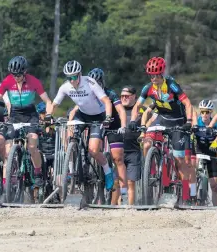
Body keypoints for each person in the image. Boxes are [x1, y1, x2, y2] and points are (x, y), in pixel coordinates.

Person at [128, 57, 196, 203]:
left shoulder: (172, 85)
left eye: (156, 75)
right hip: (162, 119)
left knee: (179, 161)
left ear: (161, 74)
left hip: (178, 122)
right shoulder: (148, 88)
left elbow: (188, 104)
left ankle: (185, 195)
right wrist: (133, 121)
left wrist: (189, 122)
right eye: (150, 75)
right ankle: (151, 172)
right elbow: (137, 107)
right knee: (146, 143)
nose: (153, 78)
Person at [46, 60, 116, 191]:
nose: (72, 80)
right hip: (82, 114)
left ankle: (107, 171)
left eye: (74, 77)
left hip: (98, 116)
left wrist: (107, 117)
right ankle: (71, 170)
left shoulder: (90, 82)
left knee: (93, 150)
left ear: (80, 74)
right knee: (69, 136)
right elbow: (54, 104)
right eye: (69, 77)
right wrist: (49, 115)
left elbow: (106, 101)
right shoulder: (66, 86)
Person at [0, 56, 53, 193]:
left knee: (33, 142)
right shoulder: (7, 81)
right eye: (14, 74)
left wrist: (48, 116)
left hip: (30, 114)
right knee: (8, 151)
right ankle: (7, 185)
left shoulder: (34, 81)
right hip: (14, 115)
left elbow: (48, 101)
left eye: (19, 74)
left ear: (24, 72)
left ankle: (37, 173)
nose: (16, 77)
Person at [86, 67, 127, 205]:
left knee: (118, 158)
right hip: (97, 124)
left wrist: (123, 126)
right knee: (93, 149)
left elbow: (121, 110)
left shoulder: (110, 93)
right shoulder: (88, 93)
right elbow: (76, 108)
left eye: (97, 82)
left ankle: (124, 194)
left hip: (113, 126)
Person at [192, 99, 217, 206]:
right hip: (199, 152)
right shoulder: (196, 122)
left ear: (211, 112)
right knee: (193, 173)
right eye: (202, 112)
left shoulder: (216, 123)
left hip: (212, 154)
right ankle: (192, 198)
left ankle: (216, 210)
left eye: (207, 112)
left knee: (214, 185)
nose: (205, 114)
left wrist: (216, 141)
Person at [36, 102, 55, 187]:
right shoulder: (36, 125)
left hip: (53, 154)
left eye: (46, 113)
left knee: (56, 174)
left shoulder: (53, 123)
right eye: (43, 113)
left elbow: (49, 131)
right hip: (42, 155)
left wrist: (48, 124)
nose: (44, 115)